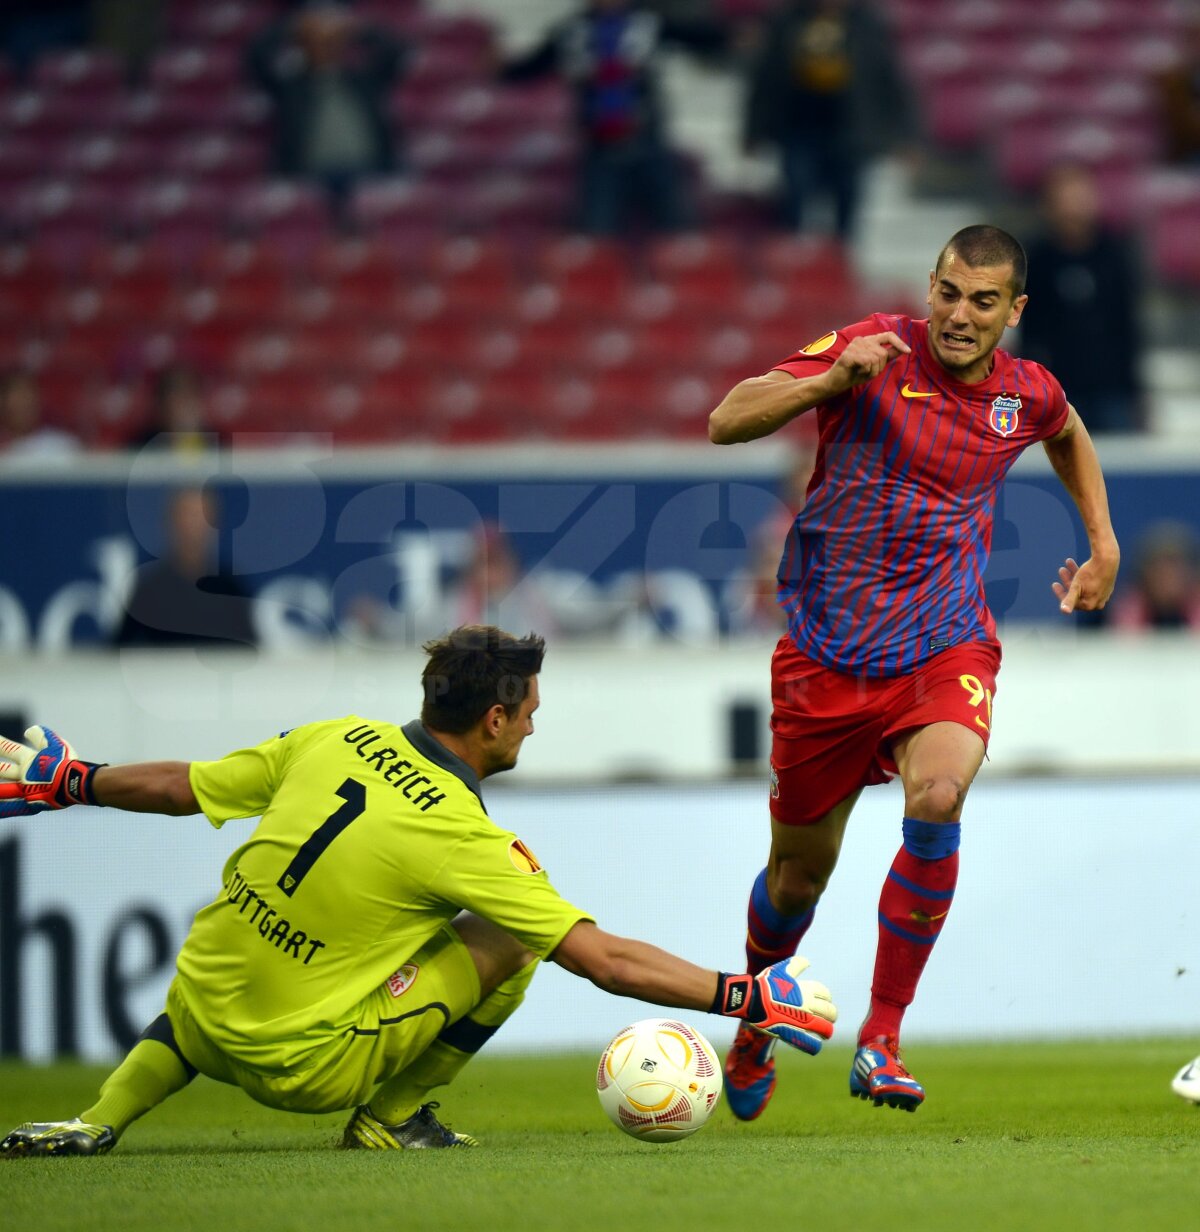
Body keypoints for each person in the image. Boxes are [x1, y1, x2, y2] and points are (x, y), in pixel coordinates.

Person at [0, 625, 838, 1156]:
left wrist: (77, 779)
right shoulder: (467, 839)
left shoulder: (333, 737)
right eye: (532, 709)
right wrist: (749, 996)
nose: (537, 723)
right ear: (495, 720)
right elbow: (605, 960)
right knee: (517, 935)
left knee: (237, 957)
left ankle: (99, 1118)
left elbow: (185, 785)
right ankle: (391, 1117)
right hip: (305, 1066)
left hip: (198, 1013)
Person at [707, 224, 1119, 1118]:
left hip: (943, 647)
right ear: (927, 288)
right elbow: (725, 420)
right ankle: (751, 1021)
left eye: (982, 301)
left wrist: (1103, 541)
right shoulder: (869, 350)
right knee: (795, 882)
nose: (959, 316)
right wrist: (828, 380)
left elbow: (1069, 430)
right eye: (947, 293)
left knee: (937, 798)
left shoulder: (1025, 391)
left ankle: (882, 1038)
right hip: (823, 660)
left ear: (1015, 311)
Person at [499, 1, 726, 236]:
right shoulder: (574, 30)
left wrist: (731, 36)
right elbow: (536, 64)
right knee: (597, 228)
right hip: (600, 146)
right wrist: (501, 69)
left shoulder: (646, 23)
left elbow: (694, 37)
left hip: (647, 141)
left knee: (677, 225)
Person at [742, 0, 918, 239]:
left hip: (851, 130)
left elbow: (889, 80)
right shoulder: (787, 21)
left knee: (847, 201)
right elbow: (766, 79)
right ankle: (792, 259)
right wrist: (753, 130)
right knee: (795, 194)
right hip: (799, 125)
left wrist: (907, 135)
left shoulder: (867, 24)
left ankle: (840, 264)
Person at [246, 0, 406, 214]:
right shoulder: (292, 86)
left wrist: (358, 28)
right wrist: (292, 27)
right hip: (310, 177)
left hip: (367, 173)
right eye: (317, 40)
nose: (325, 45)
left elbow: (394, 54)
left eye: (332, 40)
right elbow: (256, 59)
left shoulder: (362, 80)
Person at [1019, 163, 1144, 435]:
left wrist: (1136, 393)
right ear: (1048, 204)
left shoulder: (1114, 255)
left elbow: (1127, 328)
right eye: (1064, 197)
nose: (1073, 206)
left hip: (1112, 390)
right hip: (1060, 390)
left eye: (1080, 195)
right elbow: (1030, 332)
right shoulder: (1037, 260)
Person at [114, 487, 258, 648]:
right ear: (171, 521)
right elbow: (118, 651)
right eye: (186, 515)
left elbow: (249, 651)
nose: (193, 525)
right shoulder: (149, 589)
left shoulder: (230, 588)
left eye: (202, 516)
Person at [1109, 520, 1200, 631]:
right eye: (1160, 568)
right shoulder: (1125, 611)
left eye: (1174, 566)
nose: (1168, 576)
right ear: (1145, 572)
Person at [0, 370, 81, 460]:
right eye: (17, 397)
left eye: (28, 395)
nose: (25, 403)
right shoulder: (4, 448)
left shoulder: (62, 445)